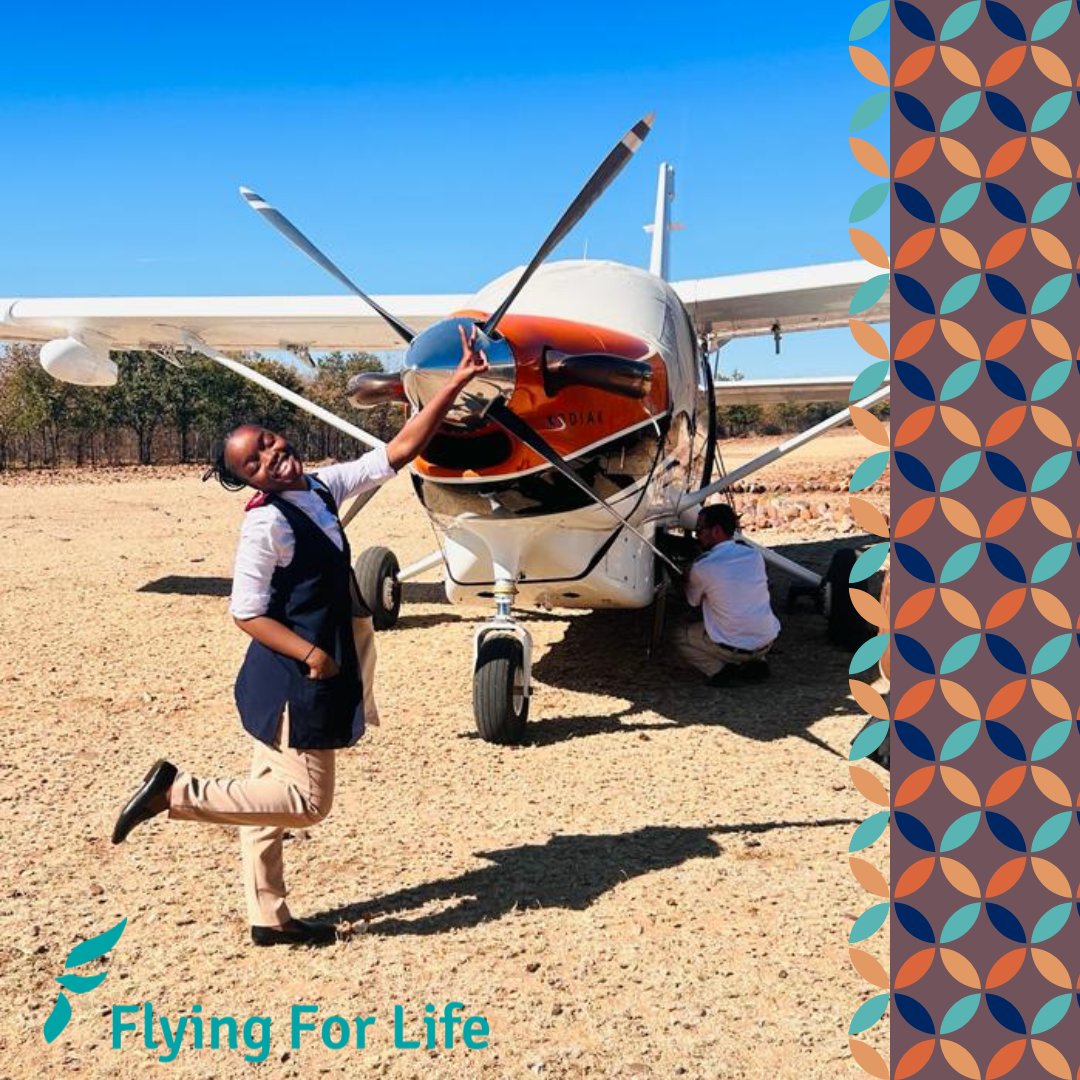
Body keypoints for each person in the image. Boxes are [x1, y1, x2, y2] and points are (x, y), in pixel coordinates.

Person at [111, 326, 488, 946]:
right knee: (308, 804)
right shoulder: (265, 528)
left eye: (266, 443)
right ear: (248, 481)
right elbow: (246, 611)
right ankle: (175, 793)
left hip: (275, 679)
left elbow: (395, 453)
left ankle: (268, 916)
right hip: (297, 677)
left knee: (264, 798)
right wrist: (312, 653)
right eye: (253, 463)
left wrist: (454, 385)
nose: (270, 457)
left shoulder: (318, 487)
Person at [674, 502, 780, 687]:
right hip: (767, 642)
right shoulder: (754, 555)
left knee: (679, 637)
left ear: (716, 531)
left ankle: (719, 671)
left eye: (699, 530)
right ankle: (757, 661)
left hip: (733, 648)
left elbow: (692, 602)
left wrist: (686, 576)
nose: (697, 535)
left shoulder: (703, 565)